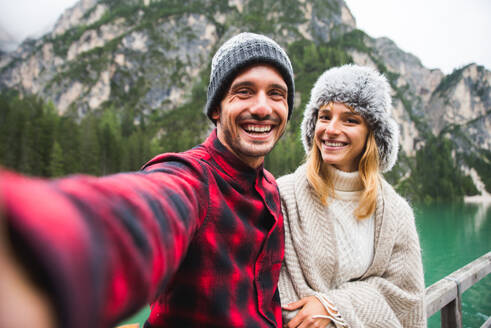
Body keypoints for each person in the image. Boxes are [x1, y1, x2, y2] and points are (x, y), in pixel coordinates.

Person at [0, 32, 295, 328]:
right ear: (216, 108)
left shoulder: (271, 188)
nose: (262, 108)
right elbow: (142, 212)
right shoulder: (192, 178)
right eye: (244, 91)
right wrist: (34, 243)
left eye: (276, 94)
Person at [277, 65, 426, 328]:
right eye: (324, 116)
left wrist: (333, 306)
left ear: (373, 134)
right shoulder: (283, 196)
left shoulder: (396, 212)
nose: (331, 129)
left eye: (350, 120)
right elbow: (279, 293)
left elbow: (408, 297)